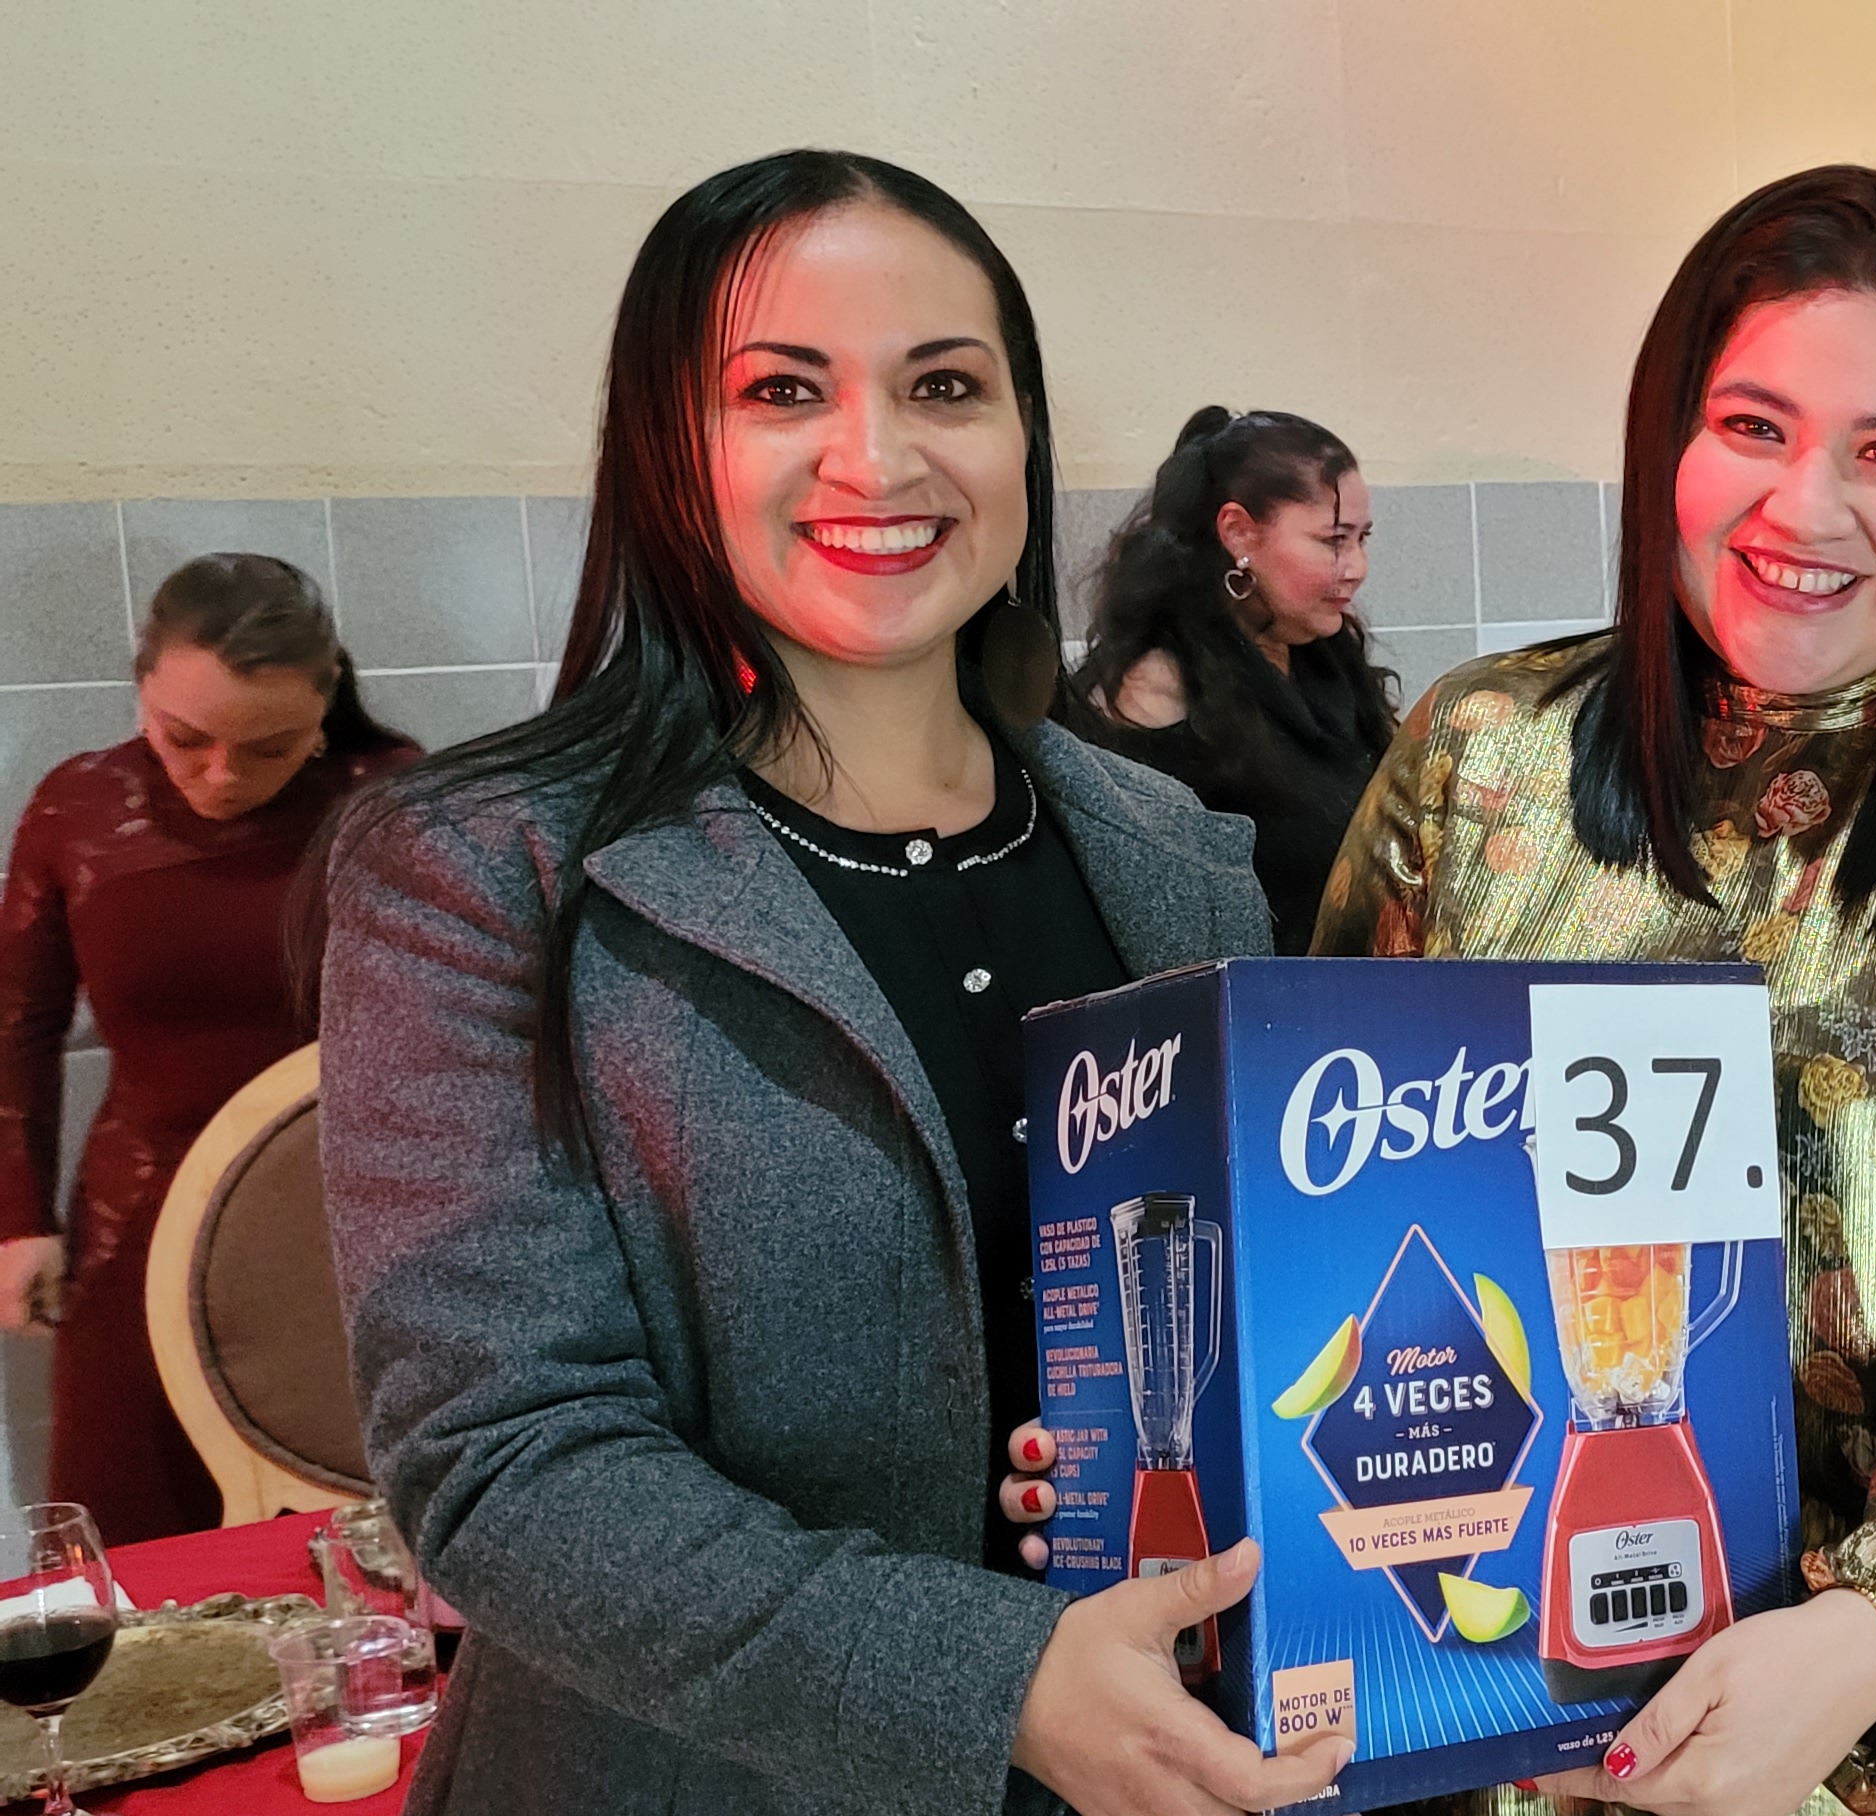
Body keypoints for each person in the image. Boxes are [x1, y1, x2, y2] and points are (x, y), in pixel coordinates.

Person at [315, 149, 1331, 1816]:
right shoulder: (483, 869)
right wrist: (996, 1677)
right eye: (782, 391)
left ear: (1022, 435)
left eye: (946, 385)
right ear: (670, 450)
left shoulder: (1173, 858)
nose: (880, 455)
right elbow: (503, 1462)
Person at [1307, 164, 1876, 1816]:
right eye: (1753, 427)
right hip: (1484, 1693)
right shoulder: (1476, 757)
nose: (1809, 508)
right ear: (1667, 442)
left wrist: (1872, 1625)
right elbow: (1332, 1227)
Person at [0, 553, 416, 1543]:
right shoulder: (79, 807)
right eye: (184, 739)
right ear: (141, 686)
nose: (221, 776)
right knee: (135, 1550)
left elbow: (473, 1019)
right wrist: (15, 1219)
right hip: (139, 1232)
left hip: (356, 1229)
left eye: (269, 748)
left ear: (325, 709)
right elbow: (16, 1024)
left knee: (371, 1552)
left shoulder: (390, 798)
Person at [1067, 404, 1403, 952]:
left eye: (1362, 539)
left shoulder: (1325, 654)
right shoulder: (1154, 692)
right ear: (1239, 533)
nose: (1357, 567)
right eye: (1333, 540)